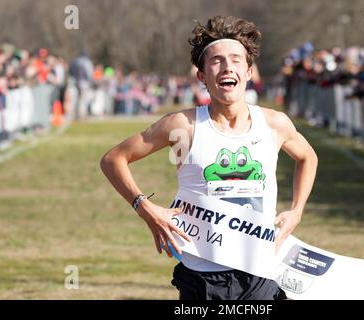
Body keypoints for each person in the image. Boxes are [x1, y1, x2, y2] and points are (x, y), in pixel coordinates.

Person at [100, 15, 318, 300]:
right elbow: (113, 159)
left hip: (259, 271)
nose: (227, 67)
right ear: (202, 76)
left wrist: (297, 210)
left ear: (249, 71)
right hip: (202, 276)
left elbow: (308, 158)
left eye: (236, 60)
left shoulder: (274, 124)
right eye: (216, 61)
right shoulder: (182, 126)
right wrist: (146, 208)